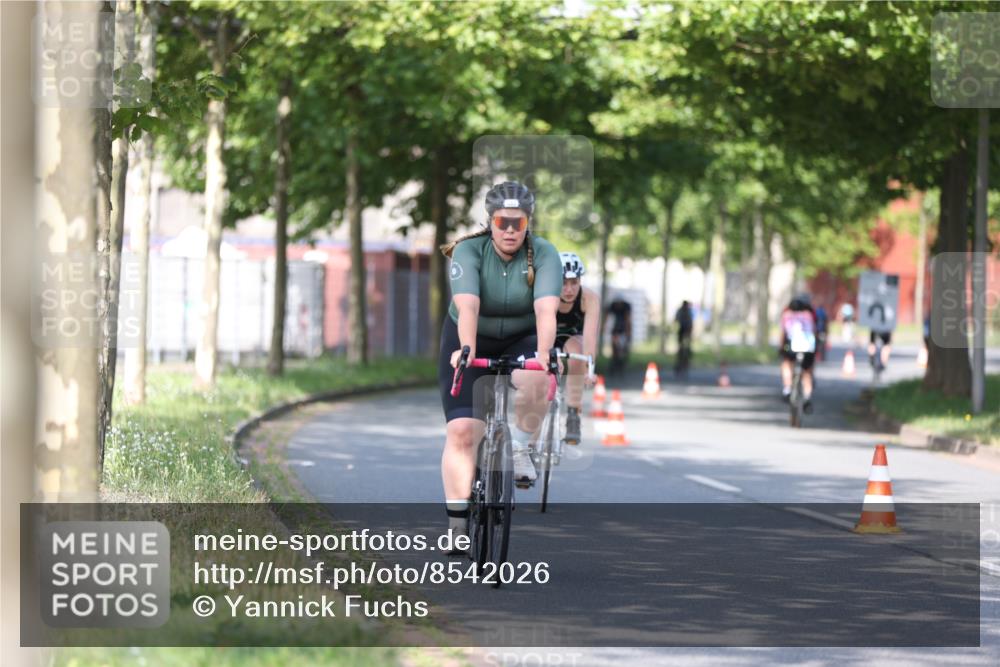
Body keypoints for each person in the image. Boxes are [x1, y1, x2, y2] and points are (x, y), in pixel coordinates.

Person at [438, 181, 562, 546]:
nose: (509, 230)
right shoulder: (469, 251)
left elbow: (546, 311)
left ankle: (520, 446)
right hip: (469, 335)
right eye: (502, 222)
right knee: (463, 430)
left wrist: (544, 355)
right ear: (490, 222)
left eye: (517, 223)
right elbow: (468, 307)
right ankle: (457, 525)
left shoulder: (544, 253)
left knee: (538, 377)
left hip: (523, 335)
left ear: (528, 223)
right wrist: (467, 350)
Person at [555, 252, 600, 444]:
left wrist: (590, 369)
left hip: (573, 336)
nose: (569, 289)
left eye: (574, 283)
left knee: (577, 354)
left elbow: (590, 337)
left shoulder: (589, 298)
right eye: (563, 283)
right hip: (544, 334)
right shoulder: (546, 294)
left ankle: (573, 415)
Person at [779, 294, 818, 413]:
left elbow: (783, 333)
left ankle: (787, 389)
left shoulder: (786, 315)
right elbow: (814, 331)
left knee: (786, 364)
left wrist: (781, 347)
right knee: (807, 372)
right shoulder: (809, 315)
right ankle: (807, 397)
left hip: (792, 345)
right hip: (808, 346)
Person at [605, 294, 632, 371]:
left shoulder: (626, 307)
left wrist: (628, 332)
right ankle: (615, 363)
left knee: (623, 349)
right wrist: (605, 326)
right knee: (615, 348)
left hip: (624, 330)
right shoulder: (612, 306)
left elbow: (628, 320)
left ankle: (621, 364)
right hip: (616, 330)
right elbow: (607, 317)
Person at [674, 300, 694, 373]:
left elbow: (676, 319)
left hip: (685, 330)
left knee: (685, 346)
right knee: (682, 346)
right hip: (683, 330)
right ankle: (683, 359)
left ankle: (685, 359)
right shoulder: (684, 311)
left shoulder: (686, 311)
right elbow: (677, 319)